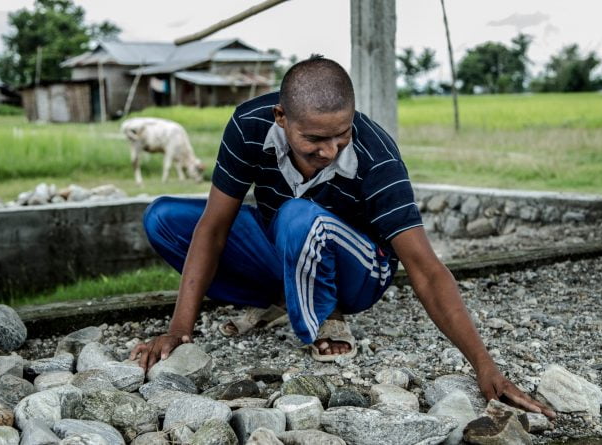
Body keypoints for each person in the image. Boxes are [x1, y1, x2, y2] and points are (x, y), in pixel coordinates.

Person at [130, 55, 554, 417]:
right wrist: (178, 329)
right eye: (313, 138)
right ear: (281, 117)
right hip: (286, 241)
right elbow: (214, 227)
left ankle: (325, 313)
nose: (330, 150)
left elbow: (424, 268)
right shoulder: (249, 126)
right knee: (164, 217)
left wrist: (484, 365)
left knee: (299, 217)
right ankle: (280, 297)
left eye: (341, 134)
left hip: (361, 271)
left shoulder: (376, 157)